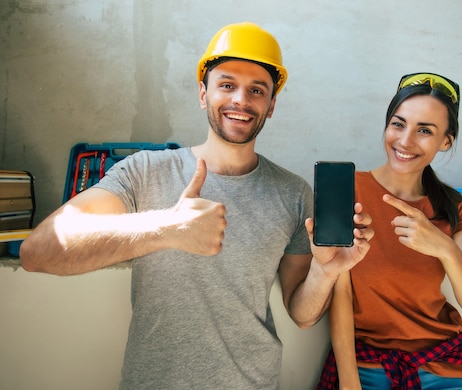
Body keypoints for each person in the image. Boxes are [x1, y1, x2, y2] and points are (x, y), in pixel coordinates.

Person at [19, 22, 374, 389]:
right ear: (203, 94)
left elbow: (301, 314)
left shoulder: (293, 194)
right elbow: (38, 252)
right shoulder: (144, 171)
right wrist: (166, 229)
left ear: (271, 106)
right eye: (226, 85)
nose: (240, 99)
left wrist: (328, 271)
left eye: (257, 90)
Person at [317, 73, 462, 390]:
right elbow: (340, 293)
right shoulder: (349, 190)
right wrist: (349, 381)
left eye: (425, 130)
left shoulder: (451, 206)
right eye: (398, 124)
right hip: (365, 365)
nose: (406, 140)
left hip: (444, 365)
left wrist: (444, 247)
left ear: (446, 140)